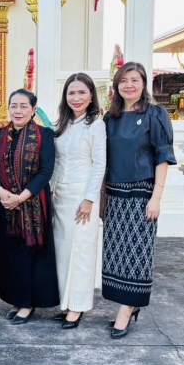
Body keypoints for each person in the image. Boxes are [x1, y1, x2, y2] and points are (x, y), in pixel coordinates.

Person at [102, 61, 176, 338]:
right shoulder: (110, 118)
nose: (129, 85)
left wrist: (156, 197)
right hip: (114, 193)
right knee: (116, 253)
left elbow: (162, 157)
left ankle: (128, 308)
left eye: (134, 80)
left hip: (141, 193)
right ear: (116, 85)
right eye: (123, 81)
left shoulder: (155, 114)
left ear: (144, 83)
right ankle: (125, 304)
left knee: (137, 252)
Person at [0, 89, 59, 325]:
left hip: (33, 206)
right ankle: (17, 300)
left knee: (31, 257)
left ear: (33, 110)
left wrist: (21, 197)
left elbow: (45, 171)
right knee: (10, 256)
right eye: (14, 106)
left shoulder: (44, 135)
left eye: (23, 106)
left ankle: (28, 304)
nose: (18, 111)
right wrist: (1, 191)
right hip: (5, 204)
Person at [51, 73, 106, 329]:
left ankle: (77, 306)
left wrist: (89, 199)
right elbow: (56, 162)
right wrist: (50, 192)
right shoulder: (62, 124)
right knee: (62, 252)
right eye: (71, 93)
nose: (76, 98)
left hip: (83, 198)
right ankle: (65, 302)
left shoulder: (96, 125)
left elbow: (99, 165)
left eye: (82, 92)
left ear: (91, 95)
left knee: (80, 252)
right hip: (60, 195)